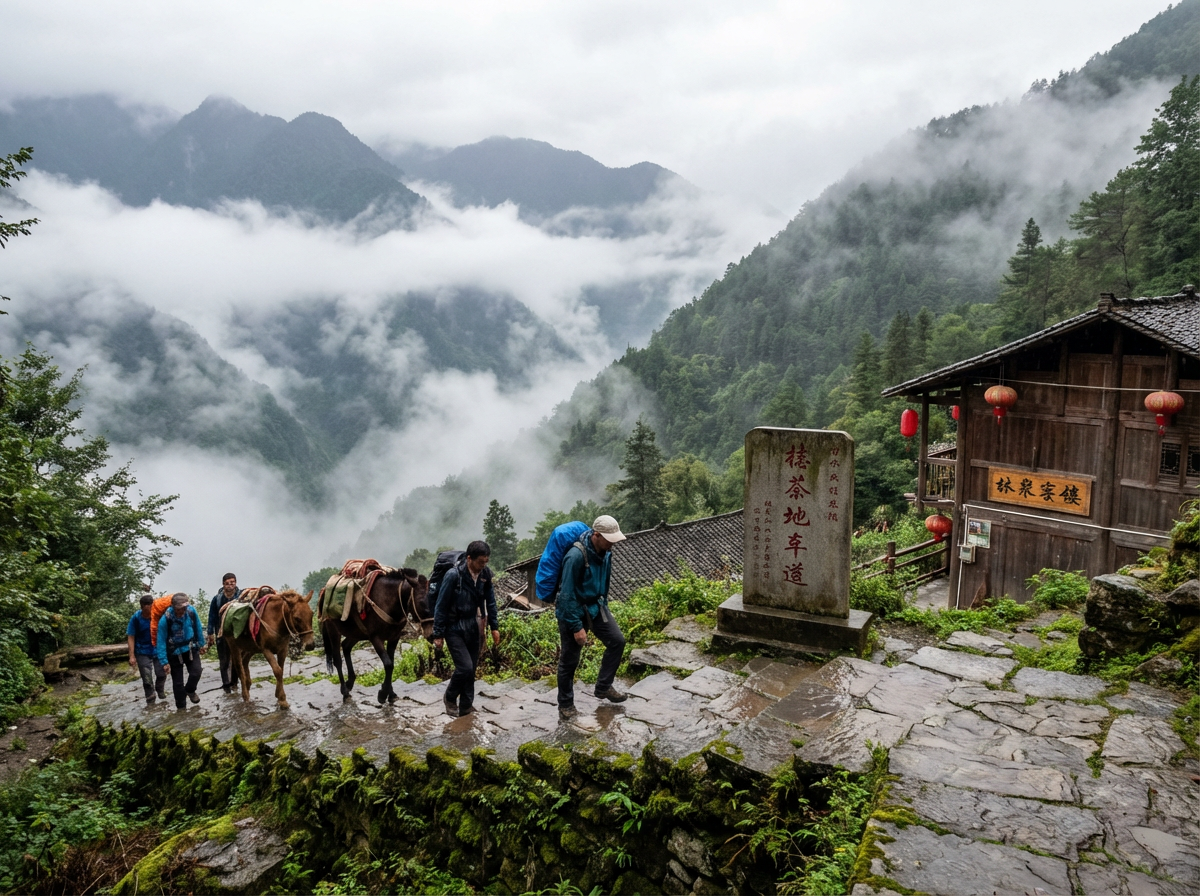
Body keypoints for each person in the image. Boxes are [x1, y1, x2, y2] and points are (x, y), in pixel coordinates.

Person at [556, 515, 628, 719]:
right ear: (596, 535)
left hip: (596, 607)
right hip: (573, 611)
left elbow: (604, 583)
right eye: (610, 539)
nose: (613, 543)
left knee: (617, 641)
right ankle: (566, 705)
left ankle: (603, 687)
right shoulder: (576, 556)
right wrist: (576, 627)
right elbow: (566, 595)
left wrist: (603, 605)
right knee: (570, 660)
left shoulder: (606, 553)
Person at [432, 540, 500, 717]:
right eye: (480, 562)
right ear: (469, 559)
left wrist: (495, 627)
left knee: (472, 668)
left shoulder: (484, 575)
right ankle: (450, 696)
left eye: (486, 562)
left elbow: (490, 601)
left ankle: (466, 705)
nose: (483, 565)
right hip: (453, 627)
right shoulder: (453, 575)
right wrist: (438, 634)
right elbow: (441, 605)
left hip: (472, 625)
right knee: (465, 668)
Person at [156, 592, 205, 710]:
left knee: (196, 672)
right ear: (173, 607)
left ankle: (190, 690)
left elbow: (197, 626)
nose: (182, 611)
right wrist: (164, 661)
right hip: (174, 652)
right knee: (177, 683)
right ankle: (181, 708)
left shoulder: (191, 612)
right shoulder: (165, 619)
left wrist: (201, 644)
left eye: (184, 608)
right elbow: (161, 641)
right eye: (179, 608)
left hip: (190, 647)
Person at [126, 594, 166, 705]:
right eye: (149, 608)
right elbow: (131, 636)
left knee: (162, 674)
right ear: (143, 607)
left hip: (157, 649)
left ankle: (160, 689)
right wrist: (132, 656)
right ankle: (150, 697)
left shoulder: (158, 616)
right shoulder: (136, 618)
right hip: (142, 651)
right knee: (147, 677)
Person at [207, 572, 241, 692]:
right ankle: (226, 684)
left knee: (237, 659)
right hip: (222, 634)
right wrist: (210, 633)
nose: (230, 586)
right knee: (224, 660)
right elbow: (212, 617)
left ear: (235, 583)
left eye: (232, 583)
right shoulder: (217, 599)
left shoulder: (242, 597)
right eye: (227, 583)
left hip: (238, 634)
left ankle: (235, 682)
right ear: (223, 584)